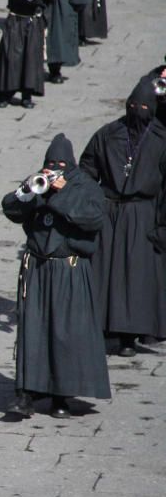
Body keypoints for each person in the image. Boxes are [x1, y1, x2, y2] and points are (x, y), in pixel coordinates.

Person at [2, 133, 110, 419]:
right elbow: (11, 209)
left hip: (68, 268)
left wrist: (63, 194)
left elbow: (93, 219)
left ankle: (60, 395)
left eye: (60, 164)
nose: (54, 168)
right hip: (36, 267)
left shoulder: (85, 186)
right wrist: (26, 193)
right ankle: (25, 394)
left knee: (65, 331)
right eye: (50, 164)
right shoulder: (38, 182)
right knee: (33, 329)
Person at [80, 80, 166, 356]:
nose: (136, 111)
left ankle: (130, 333)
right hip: (110, 210)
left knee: (135, 276)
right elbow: (87, 169)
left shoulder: (161, 139)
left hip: (142, 214)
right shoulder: (107, 134)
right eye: (132, 106)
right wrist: (91, 203)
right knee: (106, 272)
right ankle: (106, 329)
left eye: (142, 107)